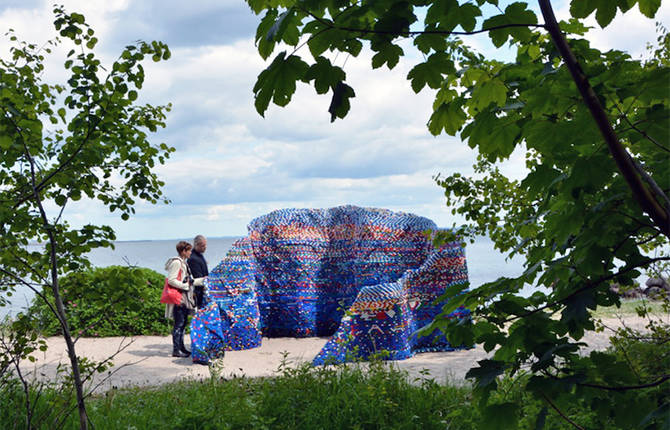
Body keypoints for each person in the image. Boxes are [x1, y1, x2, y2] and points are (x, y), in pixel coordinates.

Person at [165, 241, 205, 358]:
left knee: (182, 324)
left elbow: (189, 280)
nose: (191, 253)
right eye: (189, 251)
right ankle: (176, 350)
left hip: (183, 297)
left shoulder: (183, 263)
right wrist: (185, 286)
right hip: (179, 297)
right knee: (179, 324)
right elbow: (171, 280)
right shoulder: (177, 263)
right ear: (183, 251)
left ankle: (181, 348)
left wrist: (202, 280)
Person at [187, 235, 208, 309]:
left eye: (205, 245)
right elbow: (197, 277)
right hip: (198, 293)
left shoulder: (199, 256)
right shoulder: (193, 258)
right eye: (203, 246)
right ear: (196, 245)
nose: (205, 247)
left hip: (202, 291)